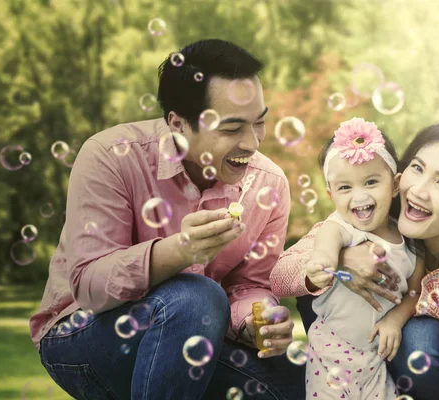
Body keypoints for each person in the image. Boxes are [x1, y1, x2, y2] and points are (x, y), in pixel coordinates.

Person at [29, 38, 305, 400]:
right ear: (177, 123)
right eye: (231, 128)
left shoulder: (269, 183)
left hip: (197, 335)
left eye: (260, 122)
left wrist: (258, 320)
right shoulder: (110, 157)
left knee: (298, 382)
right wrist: (179, 250)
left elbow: (247, 286)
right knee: (196, 297)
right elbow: (89, 285)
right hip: (80, 336)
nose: (252, 143)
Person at [272, 110, 439, 399]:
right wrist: (340, 261)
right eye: (418, 168)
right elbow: (283, 273)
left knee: (420, 340)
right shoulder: (367, 223)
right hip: (347, 371)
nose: (418, 191)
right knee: (319, 289)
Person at [271, 117, 424, 399]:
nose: (359, 196)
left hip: (376, 360)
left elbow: (415, 292)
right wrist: (326, 261)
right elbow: (329, 236)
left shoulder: (411, 245)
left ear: (394, 185)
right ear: (331, 195)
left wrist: (395, 321)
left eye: (370, 182)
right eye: (345, 187)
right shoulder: (343, 227)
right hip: (331, 355)